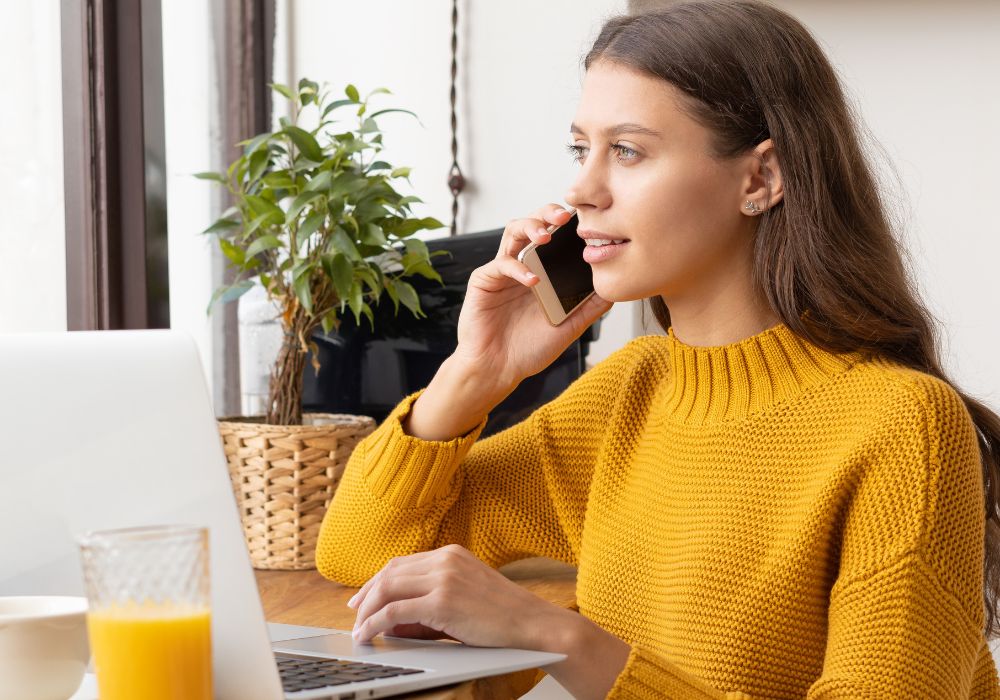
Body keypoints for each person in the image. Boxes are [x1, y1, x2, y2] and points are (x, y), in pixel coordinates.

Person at [315, 1, 1000, 697]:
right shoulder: (633, 392)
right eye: (581, 150)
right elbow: (361, 552)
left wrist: (558, 636)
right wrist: (474, 373)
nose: (582, 189)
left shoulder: (903, 425)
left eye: (629, 151)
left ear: (760, 179)